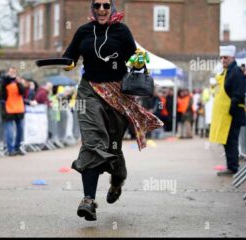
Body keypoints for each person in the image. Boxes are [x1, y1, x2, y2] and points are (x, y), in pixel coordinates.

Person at [62, 0, 163, 221]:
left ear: (112, 8)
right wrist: (68, 63)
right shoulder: (84, 31)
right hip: (89, 91)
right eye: (97, 5)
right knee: (92, 142)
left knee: (113, 148)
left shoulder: (122, 31)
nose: (101, 9)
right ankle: (88, 200)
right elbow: (70, 55)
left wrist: (137, 63)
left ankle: (117, 180)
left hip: (118, 95)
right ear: (92, 8)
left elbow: (136, 59)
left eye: (105, 5)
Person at [209, 45, 246, 176]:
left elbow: (239, 93)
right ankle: (231, 166)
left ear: (232, 58)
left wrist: (231, 109)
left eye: (225, 57)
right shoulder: (228, 71)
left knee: (231, 141)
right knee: (227, 141)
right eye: (221, 58)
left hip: (232, 115)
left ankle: (233, 167)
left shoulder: (235, 72)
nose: (223, 60)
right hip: (227, 115)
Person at [0, 67, 26, 156]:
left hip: (19, 109)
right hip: (9, 109)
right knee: (9, 130)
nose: (12, 73)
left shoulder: (18, 82)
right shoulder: (4, 82)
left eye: (14, 72)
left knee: (20, 130)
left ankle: (17, 147)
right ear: (8, 73)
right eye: (10, 72)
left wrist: (18, 82)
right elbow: (1, 95)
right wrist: (5, 82)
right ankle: (10, 149)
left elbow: (22, 92)